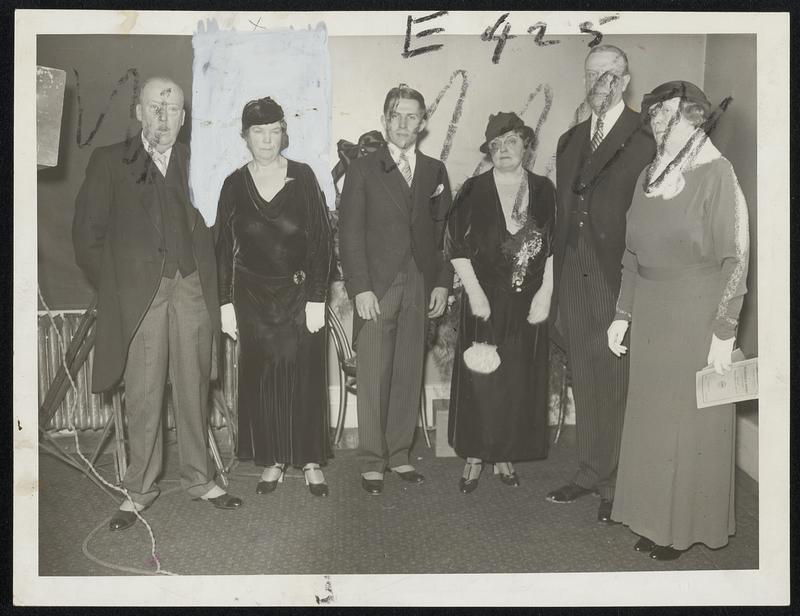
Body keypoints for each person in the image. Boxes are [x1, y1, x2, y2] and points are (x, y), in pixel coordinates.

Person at [73, 76, 242, 532]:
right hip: (141, 297)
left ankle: (200, 479)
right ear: (139, 112)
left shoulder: (200, 163)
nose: (163, 118)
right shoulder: (109, 161)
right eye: (154, 108)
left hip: (192, 290)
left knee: (194, 389)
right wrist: (118, 290)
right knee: (144, 395)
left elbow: (220, 234)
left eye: (173, 110)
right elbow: (87, 238)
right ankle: (139, 490)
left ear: (184, 118)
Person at [607, 81, 749, 560]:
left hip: (696, 309)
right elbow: (630, 255)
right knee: (651, 421)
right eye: (654, 115)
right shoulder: (647, 176)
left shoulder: (717, 174)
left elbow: (737, 257)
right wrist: (622, 315)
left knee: (688, 424)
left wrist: (724, 329)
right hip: (650, 310)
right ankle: (649, 517)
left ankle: (683, 529)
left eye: (671, 114)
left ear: (697, 116)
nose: (660, 123)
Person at [548, 45, 656, 522]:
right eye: (593, 74)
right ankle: (590, 471)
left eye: (610, 74)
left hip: (617, 273)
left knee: (615, 379)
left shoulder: (645, 137)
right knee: (586, 376)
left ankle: (617, 483)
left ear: (626, 80)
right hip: (573, 269)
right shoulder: (570, 140)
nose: (600, 82)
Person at [215, 97, 333, 497]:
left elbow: (321, 240)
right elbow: (221, 248)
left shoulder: (303, 176)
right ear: (245, 136)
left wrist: (317, 296)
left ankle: (311, 460)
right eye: (258, 132)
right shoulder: (233, 184)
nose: (267, 139)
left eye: (273, 131)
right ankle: (273, 460)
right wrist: (224, 302)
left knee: (303, 375)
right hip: (252, 299)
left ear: (284, 132)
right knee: (263, 378)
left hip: (300, 296)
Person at [338, 85, 453, 495]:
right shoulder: (363, 168)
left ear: (422, 123)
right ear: (385, 120)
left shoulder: (435, 171)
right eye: (396, 115)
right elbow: (349, 235)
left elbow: (443, 234)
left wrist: (442, 283)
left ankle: (400, 454)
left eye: (412, 116)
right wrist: (360, 289)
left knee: (408, 369)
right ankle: (372, 459)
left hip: (420, 282)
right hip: (378, 286)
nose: (403, 123)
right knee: (374, 372)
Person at [444, 112, 555, 493]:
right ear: (489, 151)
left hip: (528, 301)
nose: (503, 150)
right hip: (484, 297)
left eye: (511, 141)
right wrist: (474, 293)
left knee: (515, 380)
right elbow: (455, 246)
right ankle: (476, 456)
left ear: (526, 145)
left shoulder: (544, 190)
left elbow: (555, 248)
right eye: (496, 144)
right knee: (481, 377)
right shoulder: (472, 189)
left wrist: (545, 294)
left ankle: (504, 453)